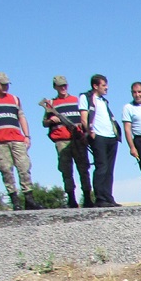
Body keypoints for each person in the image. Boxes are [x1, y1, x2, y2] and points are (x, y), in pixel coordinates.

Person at [0, 72, 42, 210]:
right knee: (6, 169)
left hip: (17, 139)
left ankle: (29, 199)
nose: (6, 87)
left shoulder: (14, 99)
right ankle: (15, 200)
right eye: (3, 84)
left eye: (7, 84)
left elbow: (21, 117)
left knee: (24, 167)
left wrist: (27, 136)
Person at [42, 76, 93, 208]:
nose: (63, 88)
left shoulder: (76, 100)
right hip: (61, 141)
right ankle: (71, 199)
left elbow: (85, 119)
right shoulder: (50, 104)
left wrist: (85, 135)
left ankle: (87, 197)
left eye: (65, 85)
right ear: (55, 87)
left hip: (78, 139)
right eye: (60, 86)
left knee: (84, 168)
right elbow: (44, 123)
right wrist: (51, 120)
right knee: (66, 170)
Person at [79, 74, 122, 207]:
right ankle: (100, 197)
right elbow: (84, 117)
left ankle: (108, 196)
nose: (106, 88)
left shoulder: (103, 101)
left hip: (111, 137)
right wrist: (89, 131)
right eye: (103, 85)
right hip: (98, 136)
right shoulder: (85, 97)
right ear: (95, 86)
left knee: (109, 168)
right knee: (101, 166)